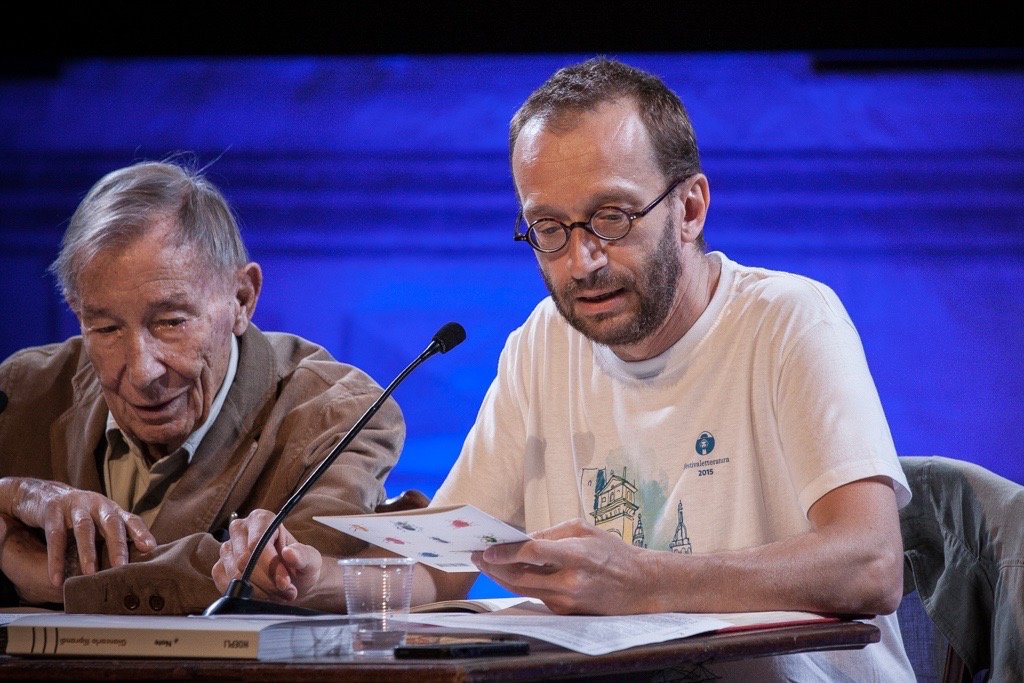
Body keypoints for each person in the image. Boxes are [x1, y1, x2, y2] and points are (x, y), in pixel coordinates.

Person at [213, 57, 915, 679]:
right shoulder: (542, 343)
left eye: (612, 218)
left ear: (691, 208)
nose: (582, 262)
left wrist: (645, 581)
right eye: (549, 229)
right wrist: (310, 577)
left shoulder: (789, 320)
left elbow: (871, 564)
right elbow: (440, 569)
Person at [0, 159, 405, 615]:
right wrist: (12, 494)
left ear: (242, 299)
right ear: (77, 312)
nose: (143, 372)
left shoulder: (339, 416)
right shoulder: (21, 395)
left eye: (171, 322)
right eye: (106, 328)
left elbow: (284, 581)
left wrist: (47, 574)